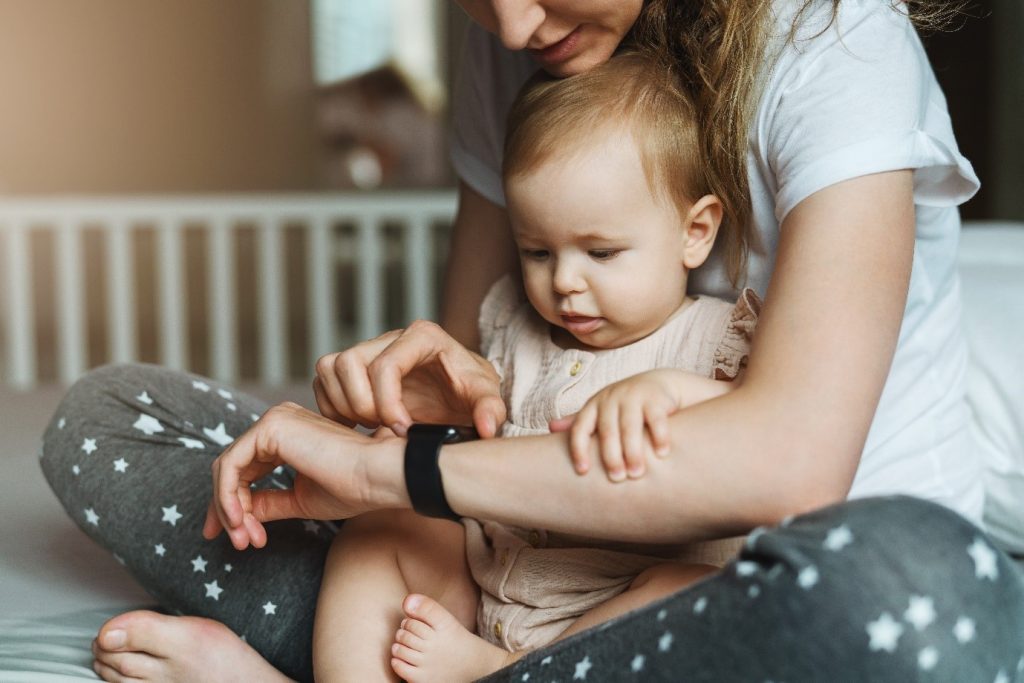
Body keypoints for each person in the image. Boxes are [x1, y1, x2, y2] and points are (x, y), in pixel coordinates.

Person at [39, 1, 1024, 682]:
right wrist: (395, 412)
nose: (511, 27)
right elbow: (476, 401)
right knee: (111, 415)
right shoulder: (525, 40)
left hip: (760, 594)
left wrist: (385, 472)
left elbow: (788, 468)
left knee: (922, 581)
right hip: (498, 575)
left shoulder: (836, 40)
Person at [309, 50, 763, 683]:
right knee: (379, 532)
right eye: (538, 251)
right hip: (487, 590)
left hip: (614, 628)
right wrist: (405, 421)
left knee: (697, 591)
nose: (566, 282)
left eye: (601, 252)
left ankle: (511, 670)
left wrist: (674, 392)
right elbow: (464, 447)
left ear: (697, 231)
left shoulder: (718, 341)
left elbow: (761, 440)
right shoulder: (511, 326)